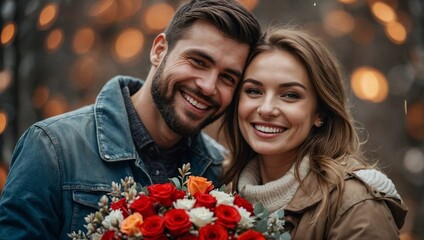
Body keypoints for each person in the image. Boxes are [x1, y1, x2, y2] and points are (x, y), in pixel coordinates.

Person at [0, 0, 261, 238]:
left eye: (228, 78)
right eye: (198, 61)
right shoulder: (53, 148)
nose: (208, 86)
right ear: (159, 51)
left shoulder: (222, 171)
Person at [221, 27, 408, 239]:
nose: (266, 109)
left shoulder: (355, 204)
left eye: (290, 95)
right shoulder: (220, 188)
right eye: (254, 91)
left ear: (320, 112)